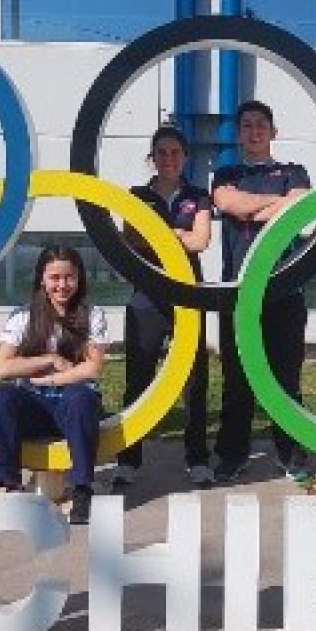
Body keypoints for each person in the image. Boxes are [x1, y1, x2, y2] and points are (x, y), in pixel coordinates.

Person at [211, 100, 313, 484]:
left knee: (286, 378)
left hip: (285, 287)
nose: (254, 131)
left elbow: (301, 209)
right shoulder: (225, 174)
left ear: (273, 132)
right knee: (237, 381)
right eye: (247, 125)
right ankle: (232, 455)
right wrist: (278, 205)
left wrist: (254, 208)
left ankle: (291, 453)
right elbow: (230, 203)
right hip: (238, 291)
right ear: (239, 134)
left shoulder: (294, 171)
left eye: (261, 125)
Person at [109, 126, 214, 491]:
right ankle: (128, 460)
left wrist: (159, 235)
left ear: (185, 157)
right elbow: (131, 238)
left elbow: (201, 241)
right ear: (151, 157)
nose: (168, 159)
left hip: (188, 296)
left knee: (194, 380)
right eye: (161, 153)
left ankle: (197, 459)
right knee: (138, 378)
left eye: (175, 153)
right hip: (147, 295)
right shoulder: (137, 196)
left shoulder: (198, 196)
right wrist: (178, 235)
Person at [0, 246, 108, 524]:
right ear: (41, 279)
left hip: (72, 406)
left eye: (69, 277)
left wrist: (51, 379)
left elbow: (93, 368)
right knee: (0, 397)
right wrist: (51, 359)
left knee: (81, 398)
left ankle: (82, 489)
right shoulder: (23, 316)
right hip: (34, 406)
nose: (62, 285)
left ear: (79, 278)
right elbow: (3, 369)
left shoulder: (92, 315)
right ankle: (8, 484)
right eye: (54, 278)